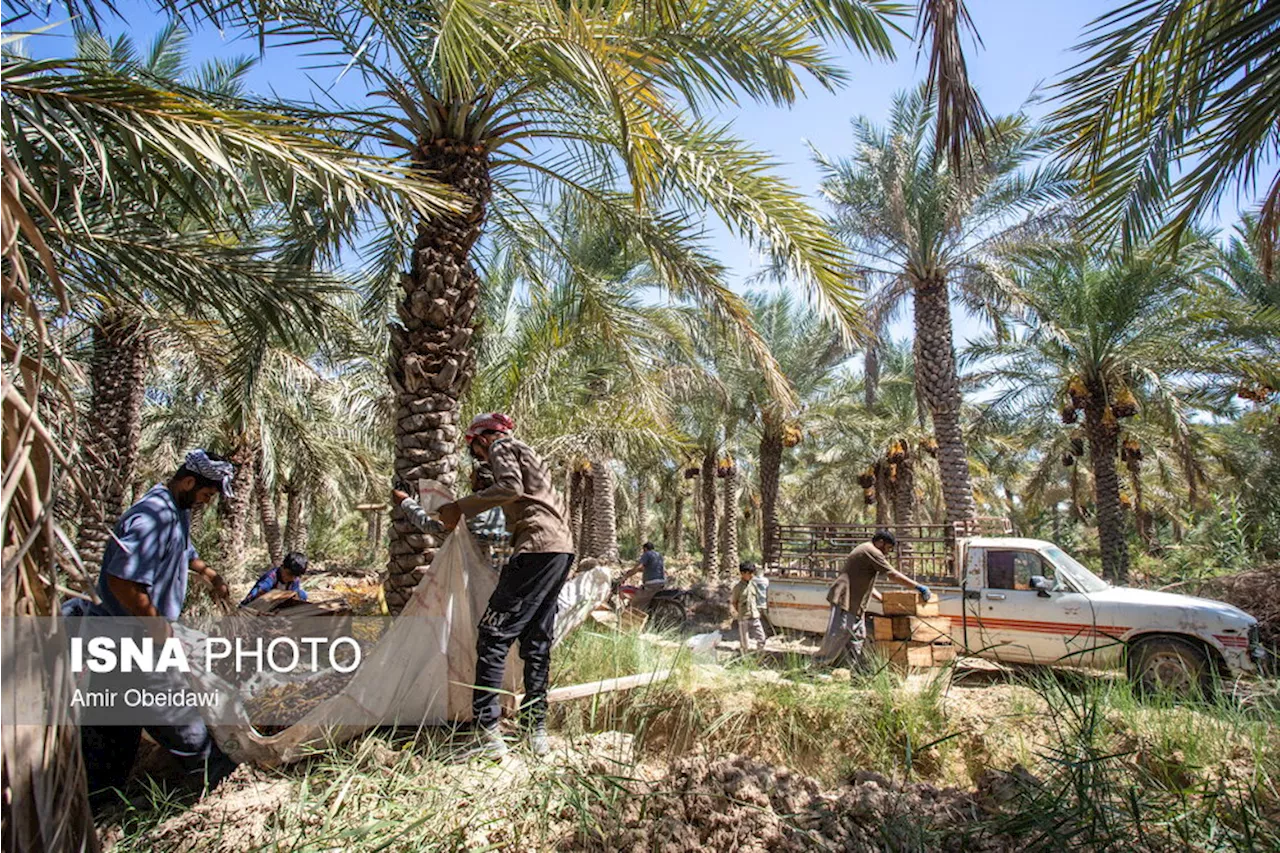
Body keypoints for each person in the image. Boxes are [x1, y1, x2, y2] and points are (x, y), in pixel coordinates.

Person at [396, 412, 574, 759]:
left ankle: (486, 732)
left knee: (492, 637)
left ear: (482, 439)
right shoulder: (530, 457)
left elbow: (502, 491)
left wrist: (441, 505)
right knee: (536, 640)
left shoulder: (502, 448)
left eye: (477, 453)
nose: (479, 460)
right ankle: (535, 731)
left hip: (533, 553)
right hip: (559, 550)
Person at [79, 450, 238, 809]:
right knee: (183, 724)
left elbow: (184, 553)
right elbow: (122, 581)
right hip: (132, 640)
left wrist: (210, 574)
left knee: (112, 727)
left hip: (124, 640)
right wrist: (161, 632)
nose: (206, 503)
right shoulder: (153, 515)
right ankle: (221, 786)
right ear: (188, 481)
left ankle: (100, 803)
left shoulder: (175, 512)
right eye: (206, 495)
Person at [813, 530, 932, 667]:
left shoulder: (866, 551)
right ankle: (817, 666)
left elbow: (865, 583)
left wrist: (882, 599)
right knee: (838, 633)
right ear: (880, 542)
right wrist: (917, 586)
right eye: (888, 548)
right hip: (845, 599)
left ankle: (852, 670)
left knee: (857, 637)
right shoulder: (871, 551)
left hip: (855, 603)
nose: (887, 552)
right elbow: (892, 574)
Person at [241, 551, 309, 605]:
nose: (293, 578)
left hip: (280, 605)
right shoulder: (271, 577)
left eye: (297, 576)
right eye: (290, 574)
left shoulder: (295, 580)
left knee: (302, 594)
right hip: (262, 606)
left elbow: (295, 594)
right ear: (283, 567)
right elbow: (256, 594)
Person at [731, 563, 767, 653]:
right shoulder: (738, 587)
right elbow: (734, 602)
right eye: (749, 573)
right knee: (745, 643)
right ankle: (745, 660)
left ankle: (759, 656)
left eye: (752, 573)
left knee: (762, 638)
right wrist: (741, 613)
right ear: (743, 574)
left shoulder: (753, 584)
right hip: (743, 618)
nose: (752, 575)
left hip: (754, 616)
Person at [620, 542, 665, 612]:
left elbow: (639, 567)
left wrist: (626, 576)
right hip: (661, 582)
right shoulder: (658, 555)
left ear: (645, 549)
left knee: (636, 602)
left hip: (651, 584)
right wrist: (632, 571)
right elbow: (649, 568)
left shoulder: (647, 554)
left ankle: (631, 617)